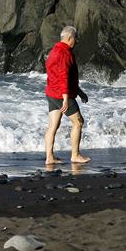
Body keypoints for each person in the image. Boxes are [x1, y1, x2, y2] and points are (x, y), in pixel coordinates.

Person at [44, 26, 91, 165]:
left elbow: (60, 76)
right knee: (78, 122)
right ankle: (75, 155)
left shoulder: (54, 51)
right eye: (75, 38)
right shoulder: (64, 53)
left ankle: (49, 158)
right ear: (70, 38)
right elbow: (63, 76)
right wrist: (65, 98)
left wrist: (79, 92)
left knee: (53, 126)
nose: (76, 41)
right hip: (62, 95)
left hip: (52, 93)